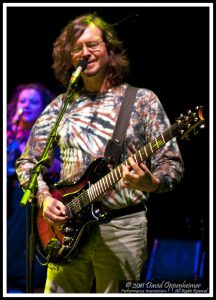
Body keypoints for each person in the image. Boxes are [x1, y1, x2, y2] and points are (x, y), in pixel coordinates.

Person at [16, 13, 184, 293]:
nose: (85, 53)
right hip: (67, 230)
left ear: (109, 50)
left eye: (92, 45)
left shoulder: (142, 101)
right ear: (68, 57)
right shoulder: (60, 106)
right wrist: (44, 200)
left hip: (123, 228)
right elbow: (28, 163)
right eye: (77, 48)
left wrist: (150, 183)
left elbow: (172, 165)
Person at [7, 83, 61, 292]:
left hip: (35, 198)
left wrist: (30, 156)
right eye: (23, 101)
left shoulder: (50, 133)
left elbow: (59, 167)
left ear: (42, 107)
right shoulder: (9, 130)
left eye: (33, 102)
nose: (26, 105)